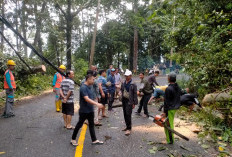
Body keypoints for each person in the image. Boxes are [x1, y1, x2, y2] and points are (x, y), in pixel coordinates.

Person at [71, 74, 104, 146]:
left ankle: (94, 140)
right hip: (84, 110)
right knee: (79, 125)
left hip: (90, 109)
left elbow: (91, 97)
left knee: (91, 125)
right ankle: (73, 139)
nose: (93, 80)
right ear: (88, 79)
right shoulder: (83, 87)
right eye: (92, 79)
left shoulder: (90, 86)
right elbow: (86, 99)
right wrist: (97, 104)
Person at [163, 72, 181, 144]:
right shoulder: (178, 87)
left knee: (168, 124)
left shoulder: (168, 89)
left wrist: (164, 111)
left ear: (169, 78)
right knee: (169, 123)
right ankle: (169, 139)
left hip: (170, 108)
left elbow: (166, 101)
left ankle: (170, 140)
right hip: (175, 107)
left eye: (168, 77)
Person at [121, 70, 138, 136]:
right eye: (125, 76)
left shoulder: (133, 84)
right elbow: (122, 90)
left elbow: (135, 94)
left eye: (127, 76)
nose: (126, 77)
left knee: (128, 114)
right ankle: (127, 126)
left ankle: (129, 128)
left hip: (130, 101)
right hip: (124, 100)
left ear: (130, 76)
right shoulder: (123, 82)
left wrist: (134, 103)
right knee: (125, 113)